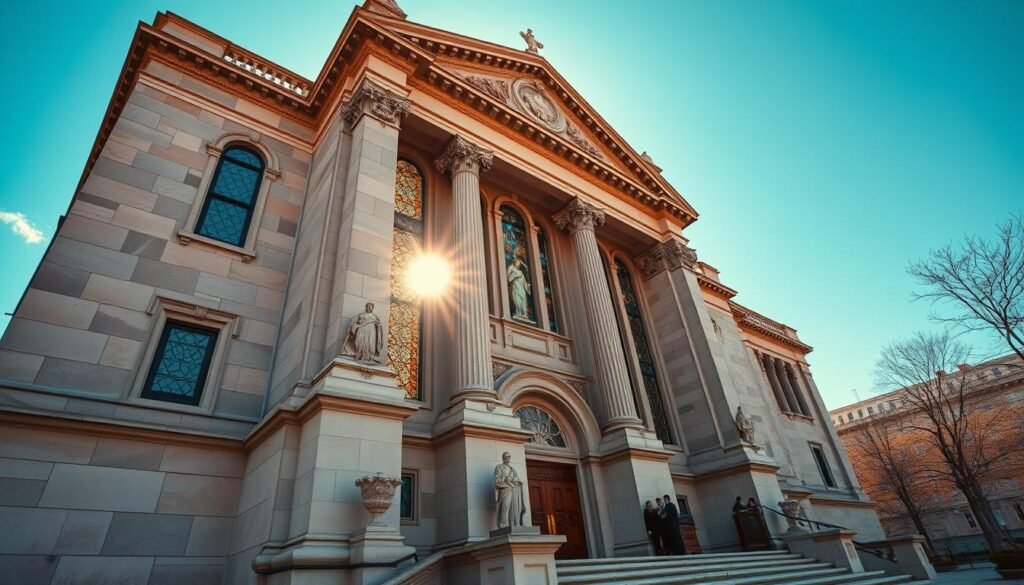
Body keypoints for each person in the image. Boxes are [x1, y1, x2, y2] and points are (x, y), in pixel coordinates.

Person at [493, 452, 525, 529]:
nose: (508, 458)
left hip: (513, 489)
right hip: (505, 489)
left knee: (514, 507)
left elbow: (516, 478)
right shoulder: (499, 467)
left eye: (509, 457)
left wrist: (517, 481)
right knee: (505, 506)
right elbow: (497, 480)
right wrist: (506, 479)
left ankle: (513, 523)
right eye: (506, 457)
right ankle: (503, 524)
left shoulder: (512, 469)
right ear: (503, 458)